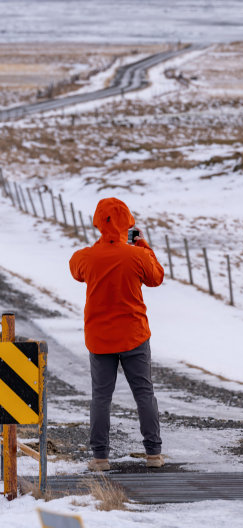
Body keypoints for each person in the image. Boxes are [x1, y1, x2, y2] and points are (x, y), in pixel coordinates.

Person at [69, 197, 165, 471]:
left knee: (101, 397)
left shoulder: (86, 257)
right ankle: (154, 454)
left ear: (98, 223)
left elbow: (76, 270)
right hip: (134, 335)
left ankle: (100, 458)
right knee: (144, 393)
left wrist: (101, 247)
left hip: (100, 339)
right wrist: (141, 245)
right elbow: (156, 277)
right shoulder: (137, 255)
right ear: (128, 223)